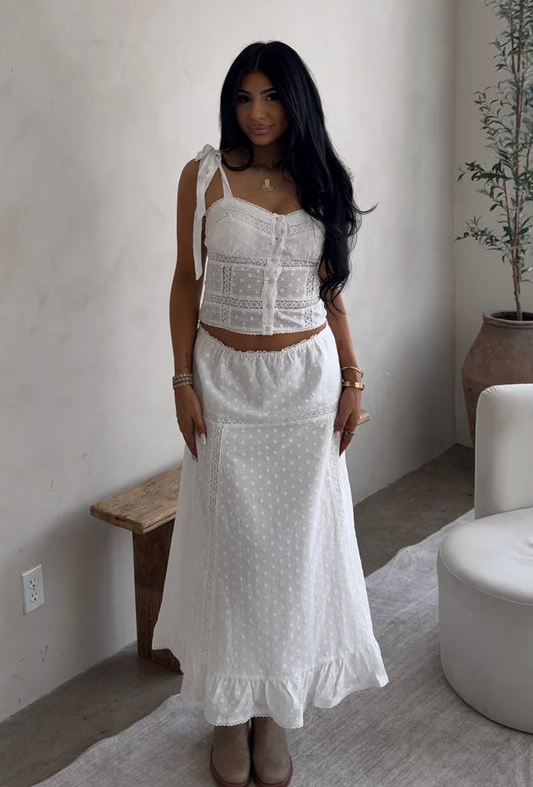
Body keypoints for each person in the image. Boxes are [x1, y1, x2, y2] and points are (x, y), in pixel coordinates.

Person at [152, 41, 388, 787]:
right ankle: (229, 711)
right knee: (230, 555)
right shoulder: (204, 176)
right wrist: (181, 379)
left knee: (293, 557)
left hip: (304, 389)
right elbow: (185, 283)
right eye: (244, 97)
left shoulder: (322, 178)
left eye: (272, 96)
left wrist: (352, 378)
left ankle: (274, 712)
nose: (257, 113)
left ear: (295, 101)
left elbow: (332, 293)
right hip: (223, 386)